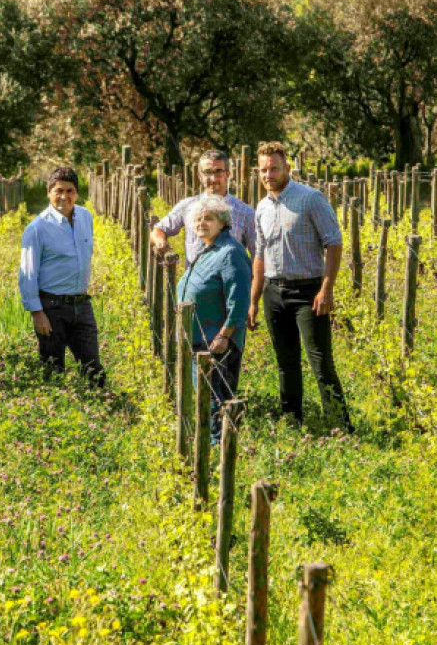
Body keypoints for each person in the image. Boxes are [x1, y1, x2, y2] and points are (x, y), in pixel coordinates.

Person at [247, 142, 353, 433]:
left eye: (274, 169)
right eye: (263, 170)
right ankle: (292, 423)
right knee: (285, 361)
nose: (268, 175)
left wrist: (327, 289)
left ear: (287, 168)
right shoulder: (262, 207)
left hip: (309, 292)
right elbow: (260, 255)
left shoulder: (311, 199)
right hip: (273, 291)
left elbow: (334, 242)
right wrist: (254, 300)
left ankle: (341, 426)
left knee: (320, 362)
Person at [19, 166, 105, 387]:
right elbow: (28, 274)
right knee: (53, 369)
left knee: (94, 370)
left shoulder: (85, 217)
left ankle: (97, 405)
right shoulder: (37, 228)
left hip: (81, 304)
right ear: (49, 192)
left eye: (70, 191)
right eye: (58, 191)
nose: (64, 197)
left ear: (77, 194)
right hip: (51, 307)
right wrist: (37, 313)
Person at [175, 197, 251, 444]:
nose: (201, 223)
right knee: (205, 398)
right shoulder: (208, 250)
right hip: (199, 339)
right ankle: (210, 444)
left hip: (216, 342)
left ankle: (219, 447)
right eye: (197, 219)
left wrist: (224, 335)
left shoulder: (230, 252)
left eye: (208, 218)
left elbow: (239, 300)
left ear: (222, 222)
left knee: (215, 400)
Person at [150, 149, 256, 267]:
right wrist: (161, 242)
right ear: (200, 176)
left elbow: (257, 254)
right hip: (194, 277)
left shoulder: (246, 212)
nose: (213, 178)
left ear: (227, 174)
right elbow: (159, 229)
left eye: (218, 172)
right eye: (207, 172)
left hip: (231, 277)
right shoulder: (187, 206)